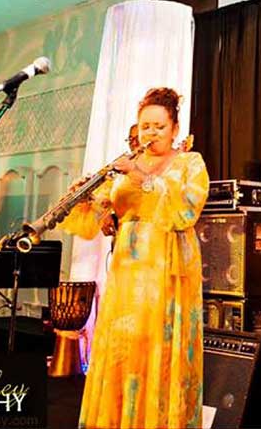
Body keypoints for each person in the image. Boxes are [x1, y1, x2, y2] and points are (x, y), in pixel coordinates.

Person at [60, 88, 210, 428]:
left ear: (174, 128)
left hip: (168, 270)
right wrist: (84, 198)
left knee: (159, 349)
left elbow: (186, 209)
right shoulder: (124, 167)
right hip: (127, 270)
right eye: (145, 126)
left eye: (159, 126)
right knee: (124, 349)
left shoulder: (190, 162)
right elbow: (99, 214)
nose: (151, 133)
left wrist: (140, 176)